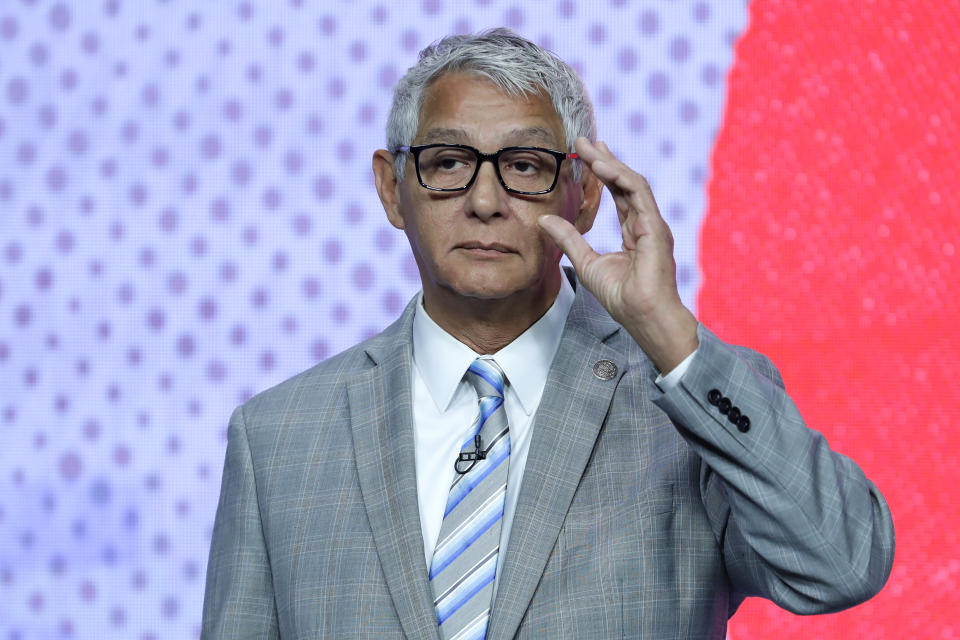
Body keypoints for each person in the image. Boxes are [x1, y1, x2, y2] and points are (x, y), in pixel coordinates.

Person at [201, 29, 894, 639]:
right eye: (447, 163)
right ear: (391, 188)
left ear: (585, 195)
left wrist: (668, 334)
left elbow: (843, 565)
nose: (483, 200)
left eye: (524, 167)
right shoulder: (278, 439)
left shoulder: (689, 402)